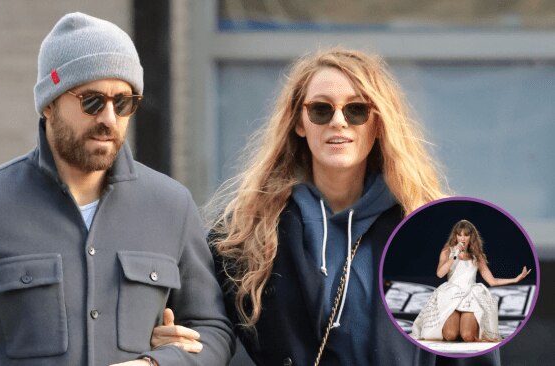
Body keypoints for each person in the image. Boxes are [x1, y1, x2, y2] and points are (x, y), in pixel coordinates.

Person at [151, 47, 502, 365]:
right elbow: (207, 331)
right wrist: (171, 343)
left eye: (356, 109)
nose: (338, 121)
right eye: (321, 109)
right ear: (299, 123)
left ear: (378, 123)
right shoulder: (245, 235)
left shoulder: (428, 231)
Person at [0, 12, 233, 366]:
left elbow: (213, 332)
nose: (109, 119)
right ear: (50, 104)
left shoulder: (173, 206)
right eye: (92, 101)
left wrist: (159, 363)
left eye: (124, 102)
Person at [411, 219, 531, 343]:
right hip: (451, 296)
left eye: (466, 235)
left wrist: (515, 279)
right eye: (459, 234)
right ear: (455, 236)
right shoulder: (448, 252)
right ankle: (456, 326)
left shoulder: (477, 256)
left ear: (471, 237)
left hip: (470, 298)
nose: (462, 238)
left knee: (468, 336)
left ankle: (472, 327)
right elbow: (440, 273)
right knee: (450, 335)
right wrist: (455, 255)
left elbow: (492, 281)